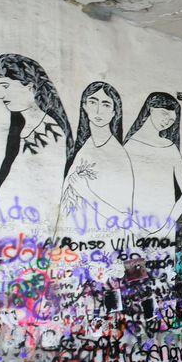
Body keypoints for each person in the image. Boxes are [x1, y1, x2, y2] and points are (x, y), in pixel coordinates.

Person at [0, 53, 68, 236]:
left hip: (24, 235)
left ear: (30, 86)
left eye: (5, 86)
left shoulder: (50, 132)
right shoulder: (22, 129)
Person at [58, 81, 136, 245]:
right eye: (93, 102)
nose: (99, 110)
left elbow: (124, 217)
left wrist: (85, 191)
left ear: (115, 112)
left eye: (106, 104)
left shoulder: (117, 155)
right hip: (72, 243)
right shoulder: (85, 147)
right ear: (84, 106)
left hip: (100, 244)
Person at [124, 92, 182, 235]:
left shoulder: (170, 147)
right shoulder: (129, 146)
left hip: (165, 223)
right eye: (164, 114)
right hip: (134, 223)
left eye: (171, 119)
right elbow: (121, 188)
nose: (167, 121)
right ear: (150, 108)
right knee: (133, 257)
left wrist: (170, 220)